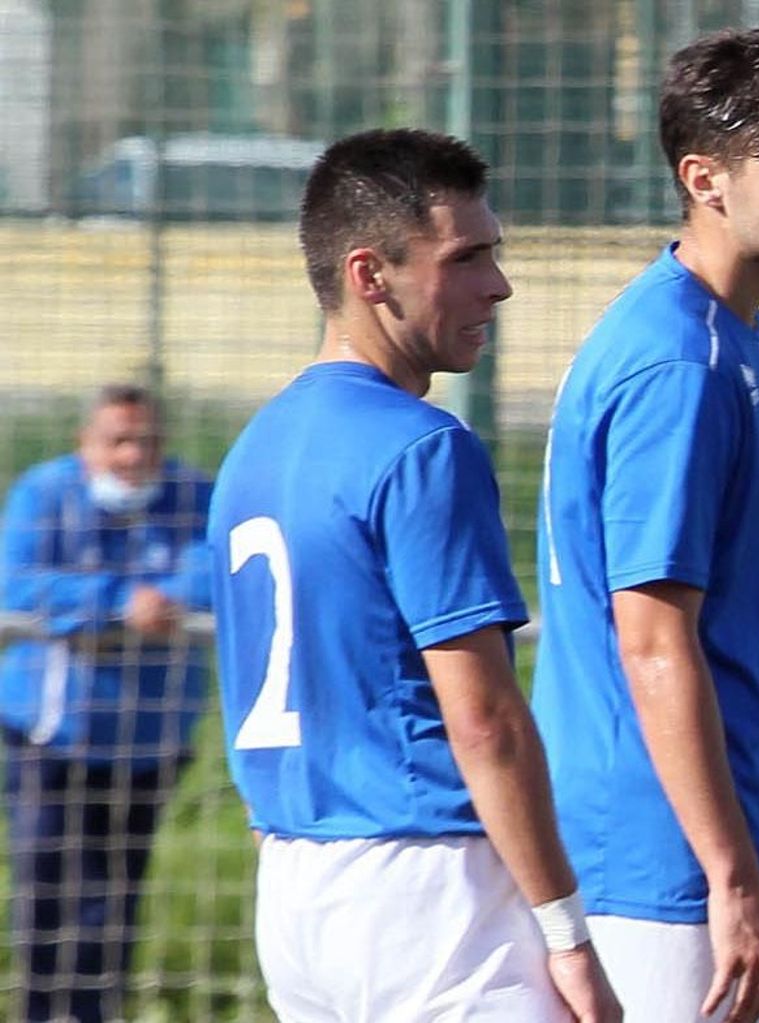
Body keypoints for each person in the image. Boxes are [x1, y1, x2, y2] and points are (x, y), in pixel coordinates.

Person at [207, 127, 619, 1023]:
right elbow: (484, 721)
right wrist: (567, 933)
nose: (497, 285)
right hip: (430, 895)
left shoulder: (250, 452)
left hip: (295, 886)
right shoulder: (422, 446)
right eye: (466, 257)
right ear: (369, 274)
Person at [533, 27, 759, 1023]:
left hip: (683, 843)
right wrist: (730, 874)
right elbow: (653, 640)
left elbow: (714, 641)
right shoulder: (679, 363)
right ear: (704, 179)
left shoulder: (727, 332)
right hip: (654, 866)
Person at [1, 383, 212, 1023]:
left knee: (115, 898)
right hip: (50, 738)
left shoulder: (193, 495)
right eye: (118, 441)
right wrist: (116, 602)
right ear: (85, 443)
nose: (133, 456)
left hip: (149, 741)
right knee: (48, 892)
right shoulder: (46, 493)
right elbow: (18, 583)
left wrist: (168, 599)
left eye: (147, 441)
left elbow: (219, 565)